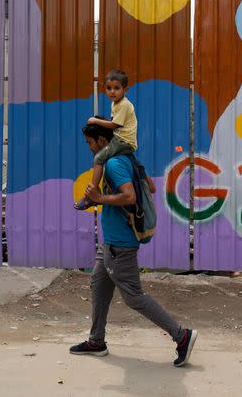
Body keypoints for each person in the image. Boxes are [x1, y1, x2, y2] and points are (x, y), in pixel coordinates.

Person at [69, 122, 197, 367]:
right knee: (98, 285)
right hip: (111, 243)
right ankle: (96, 341)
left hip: (120, 244)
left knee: (133, 297)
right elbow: (150, 186)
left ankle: (182, 337)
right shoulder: (128, 158)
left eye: (90, 142)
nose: (89, 147)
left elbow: (130, 196)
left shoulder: (114, 164)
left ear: (102, 141)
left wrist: (99, 198)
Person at [75, 69, 138, 210]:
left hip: (123, 141)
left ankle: (91, 194)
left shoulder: (123, 104)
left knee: (98, 158)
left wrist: (95, 121)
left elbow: (115, 124)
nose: (112, 92)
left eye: (117, 88)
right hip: (121, 139)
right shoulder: (116, 103)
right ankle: (93, 193)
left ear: (125, 89)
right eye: (109, 88)